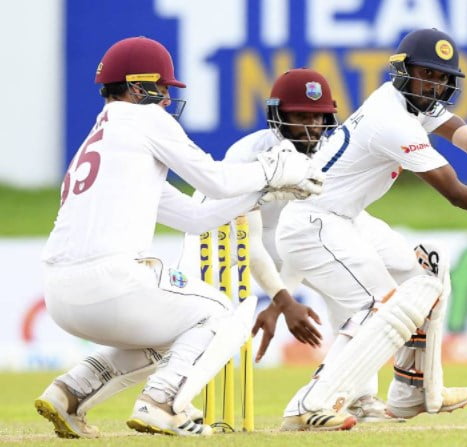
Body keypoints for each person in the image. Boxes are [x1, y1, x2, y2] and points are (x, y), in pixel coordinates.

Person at [273, 28, 467, 431]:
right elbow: (454, 192)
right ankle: (309, 404)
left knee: (427, 272)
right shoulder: (391, 120)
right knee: (382, 305)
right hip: (313, 224)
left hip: (346, 218)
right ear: (404, 72)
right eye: (426, 74)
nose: (433, 85)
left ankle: (412, 391)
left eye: (441, 78)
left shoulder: (415, 103)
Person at [34, 36, 325, 438]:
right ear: (139, 87)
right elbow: (215, 180)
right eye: (163, 88)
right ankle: (162, 402)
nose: (169, 99)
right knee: (223, 313)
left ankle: (70, 391)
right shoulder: (144, 119)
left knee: (178, 333)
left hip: (60, 294)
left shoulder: (107, 137)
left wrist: (262, 193)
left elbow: (195, 218)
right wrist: (274, 169)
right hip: (110, 282)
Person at [178, 68, 427, 427]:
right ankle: (173, 396)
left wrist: (280, 303)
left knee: (353, 296)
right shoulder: (248, 154)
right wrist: (282, 300)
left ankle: (359, 398)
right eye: (300, 116)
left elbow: (310, 238)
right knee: (201, 317)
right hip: (230, 242)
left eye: (318, 117)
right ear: (277, 115)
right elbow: (248, 240)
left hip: (293, 238)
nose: (311, 126)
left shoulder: (332, 153)